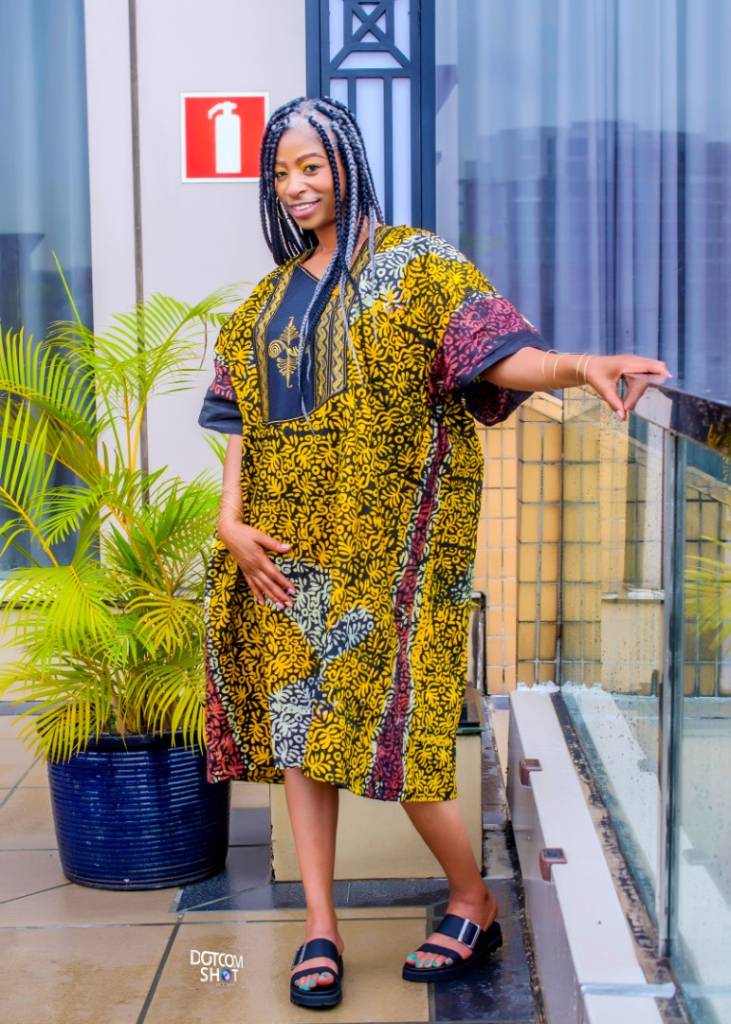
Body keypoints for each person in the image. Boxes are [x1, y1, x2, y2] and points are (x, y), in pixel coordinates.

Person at [197, 96, 670, 1011]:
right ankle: (320, 927)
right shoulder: (265, 299)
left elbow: (498, 356)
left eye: (310, 166)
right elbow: (237, 423)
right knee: (300, 734)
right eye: (281, 172)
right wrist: (230, 522)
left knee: (396, 732)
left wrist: (577, 366)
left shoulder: (417, 265)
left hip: (392, 549)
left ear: (347, 163)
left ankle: (471, 897)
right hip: (282, 550)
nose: (295, 186)